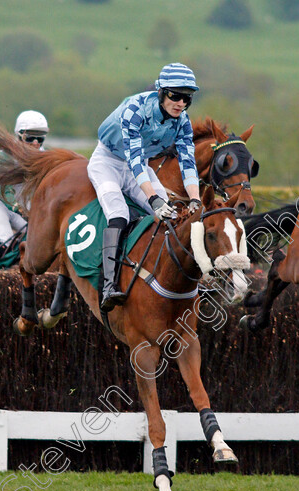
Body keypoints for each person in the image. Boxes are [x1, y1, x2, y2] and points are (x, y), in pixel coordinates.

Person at [89, 62, 201, 311]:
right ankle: (108, 285)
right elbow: (136, 160)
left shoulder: (183, 121)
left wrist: (195, 200)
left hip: (137, 167)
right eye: (175, 95)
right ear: (161, 92)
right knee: (118, 214)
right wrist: (153, 200)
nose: (181, 103)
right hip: (108, 161)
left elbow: (188, 162)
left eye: (187, 98)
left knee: (171, 215)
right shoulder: (135, 109)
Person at [0, 110, 46, 270]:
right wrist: (20, 209)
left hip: (22, 206)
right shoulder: (7, 156)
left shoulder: (45, 155)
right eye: (31, 137)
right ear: (19, 135)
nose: (36, 143)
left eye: (40, 138)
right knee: (4, 239)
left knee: (38, 238)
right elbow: (3, 190)